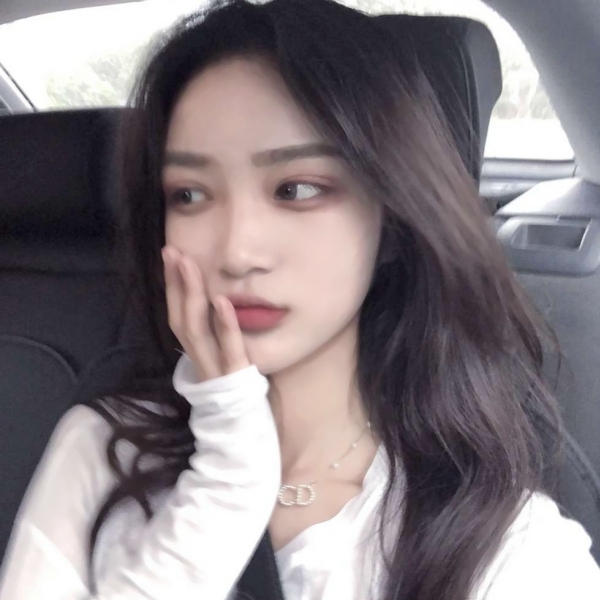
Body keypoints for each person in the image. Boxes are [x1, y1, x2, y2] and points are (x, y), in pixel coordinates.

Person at [1, 0, 599, 598]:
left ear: (392, 222)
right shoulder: (105, 446)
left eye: (297, 189)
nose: (237, 253)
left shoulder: (508, 548)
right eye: (189, 194)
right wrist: (228, 479)